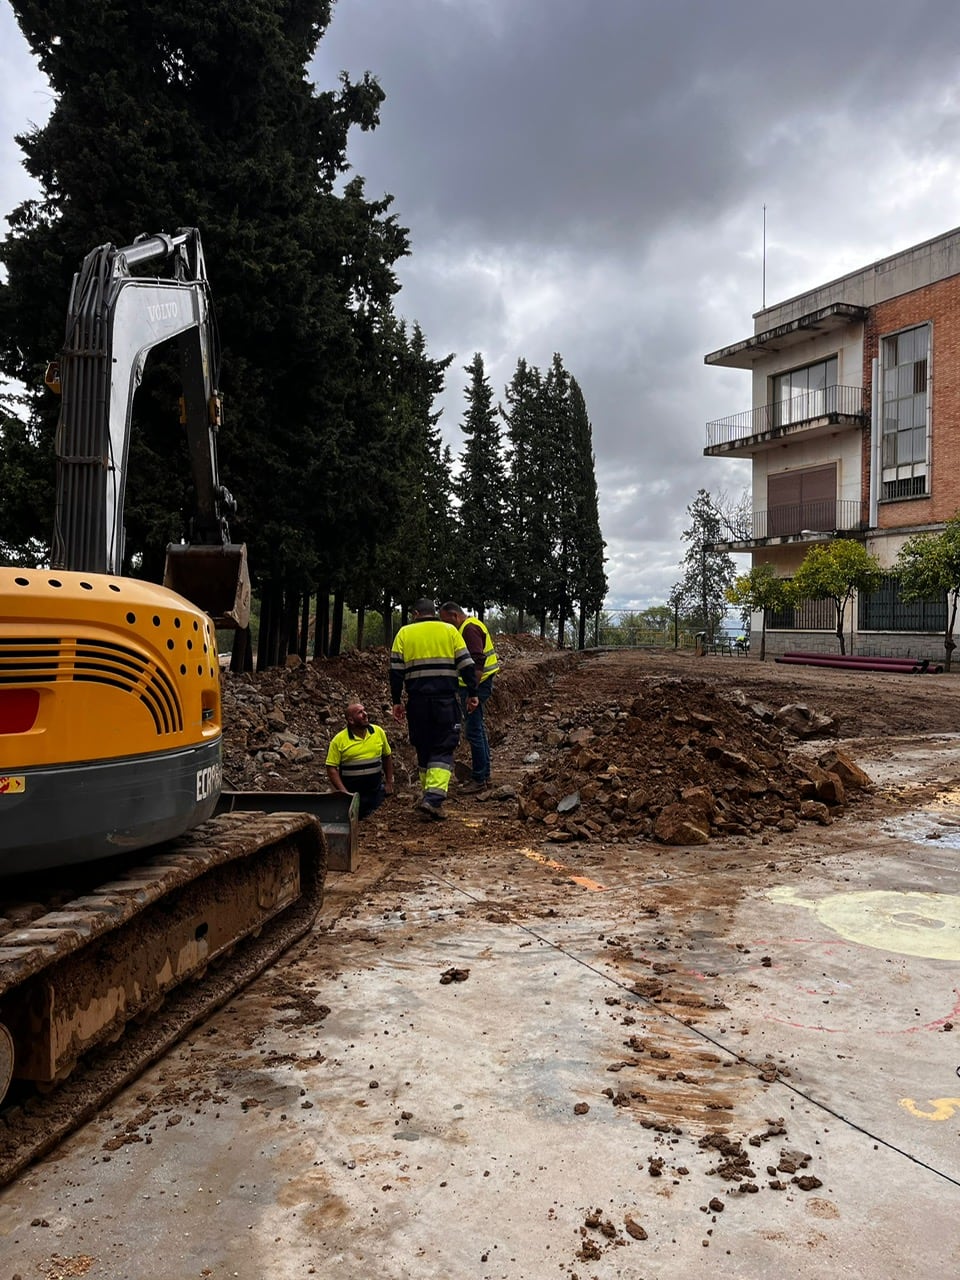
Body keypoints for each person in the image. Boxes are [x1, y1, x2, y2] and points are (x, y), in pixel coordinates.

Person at [390, 598, 479, 820]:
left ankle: (428, 797)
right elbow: (467, 665)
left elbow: (395, 671)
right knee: (443, 746)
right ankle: (433, 799)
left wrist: (396, 701)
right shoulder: (449, 631)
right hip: (444, 700)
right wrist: (473, 693)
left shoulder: (404, 634)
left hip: (417, 702)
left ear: (416, 613)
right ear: (433, 613)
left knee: (423, 747)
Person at [439, 601, 500, 794]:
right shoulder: (471, 625)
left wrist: (472, 692)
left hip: (476, 687)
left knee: (473, 731)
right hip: (477, 686)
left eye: (447, 621)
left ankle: (479, 778)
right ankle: (484, 775)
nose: (447, 626)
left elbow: (477, 661)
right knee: (478, 729)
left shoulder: (469, 629)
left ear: (455, 616)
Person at [325, 701, 394, 819]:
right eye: (360, 712)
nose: (365, 714)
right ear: (351, 720)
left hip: (376, 793)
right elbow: (331, 768)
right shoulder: (339, 740)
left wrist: (389, 782)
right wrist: (344, 793)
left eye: (364, 710)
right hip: (353, 795)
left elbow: (387, 756)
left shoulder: (378, 732)